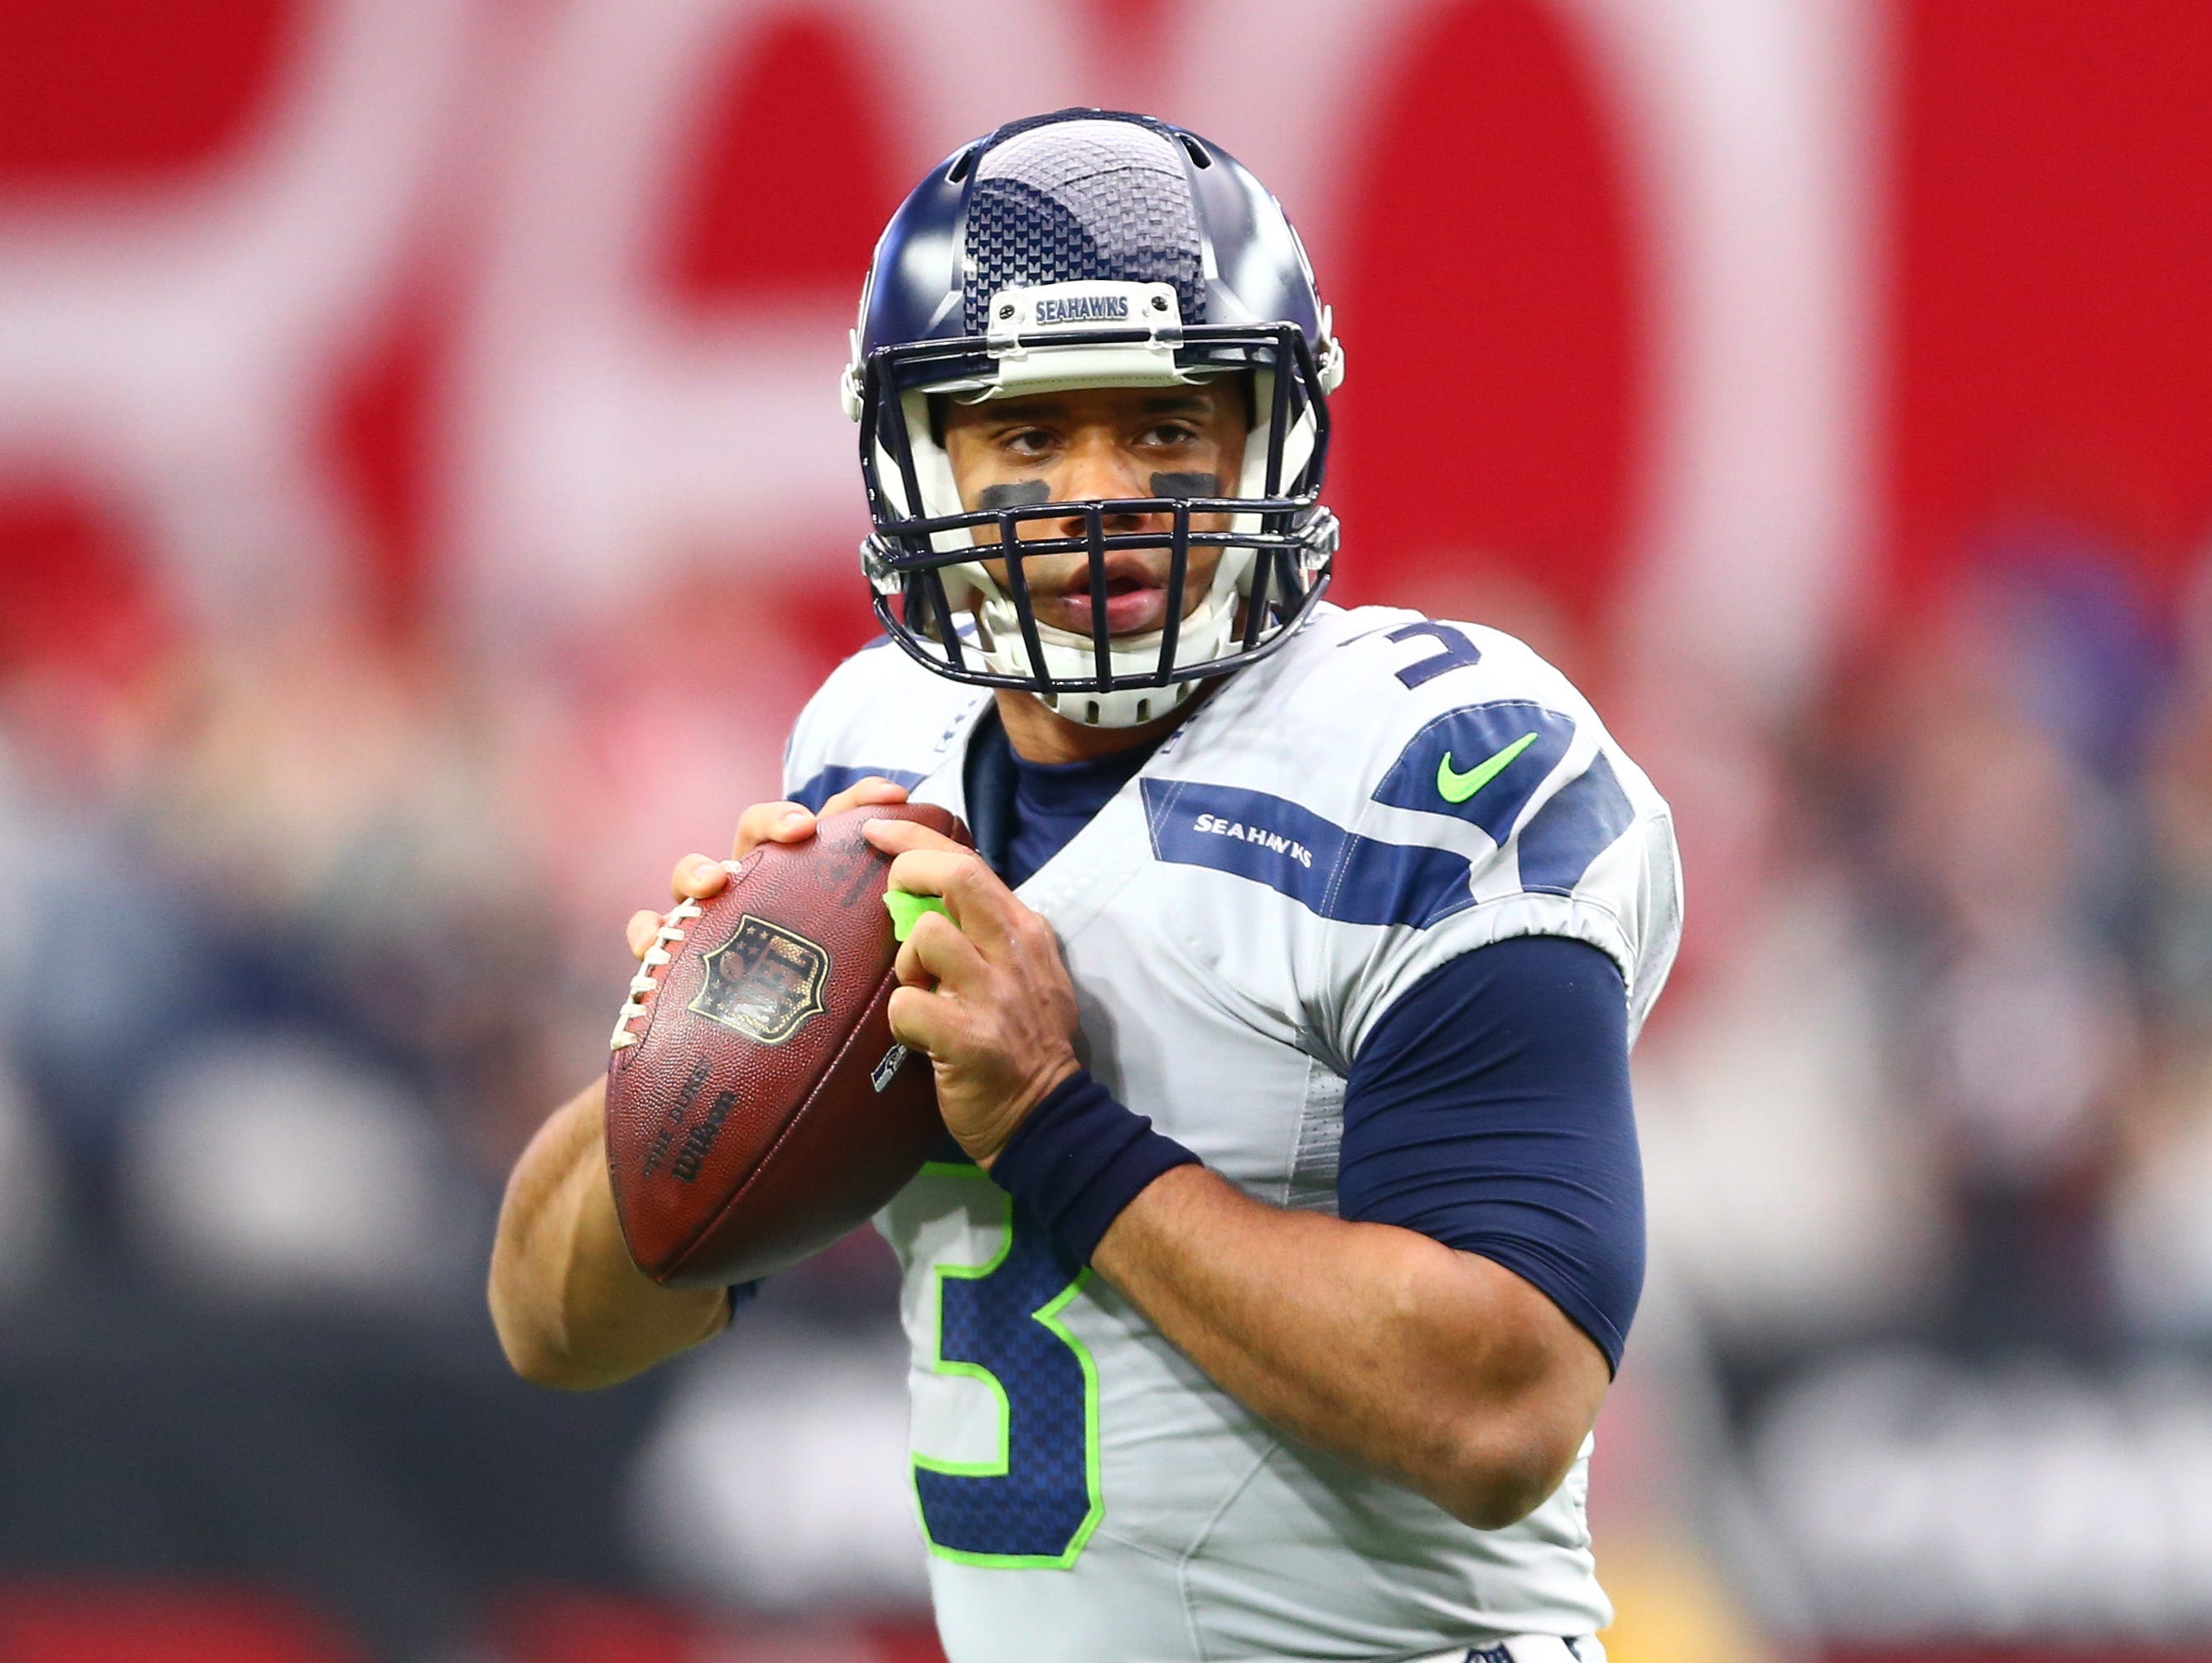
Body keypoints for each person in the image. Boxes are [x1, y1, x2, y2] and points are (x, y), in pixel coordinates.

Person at [489, 109, 1681, 1663]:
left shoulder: (1431, 763)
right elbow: (551, 1324)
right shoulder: (873, 751)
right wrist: (701, 1046)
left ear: (1269, 436)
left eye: (1166, 428)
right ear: (922, 458)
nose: (1100, 496)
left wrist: (1053, 1124)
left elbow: (1500, 1408)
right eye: (1030, 436)